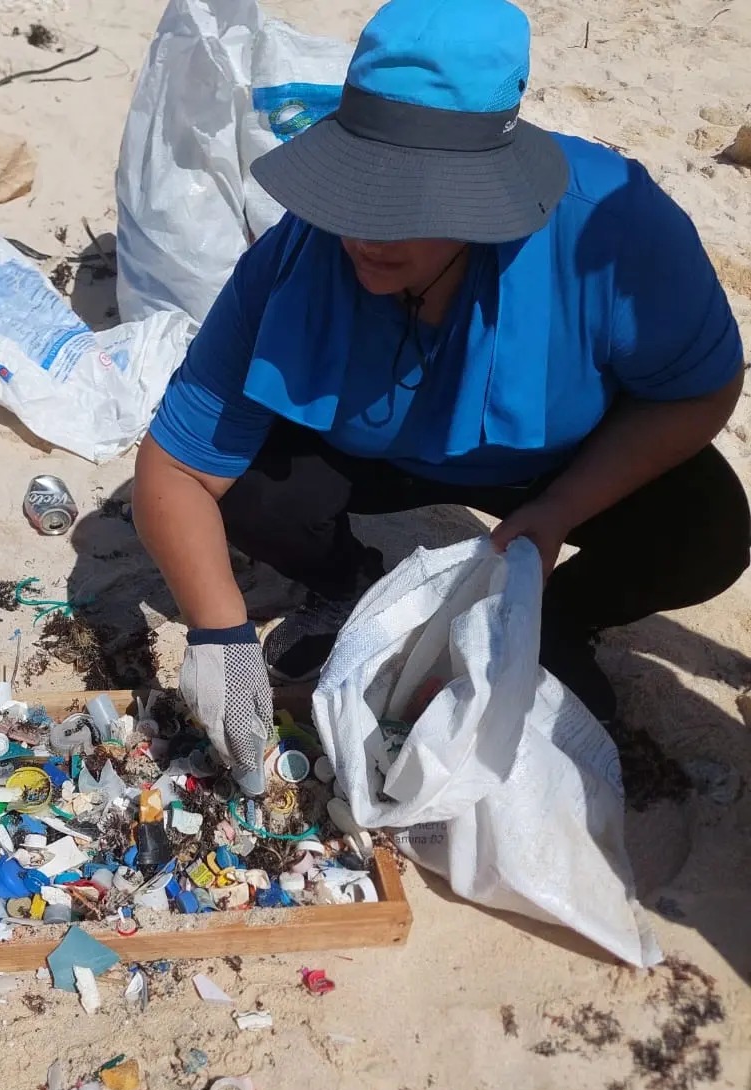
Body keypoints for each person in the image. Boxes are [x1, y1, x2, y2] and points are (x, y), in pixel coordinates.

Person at [134, 0, 748, 786]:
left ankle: (558, 624)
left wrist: (558, 514)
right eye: (353, 193)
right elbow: (175, 466)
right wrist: (219, 634)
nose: (365, 234)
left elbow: (700, 392)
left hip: (560, 462)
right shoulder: (296, 257)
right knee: (246, 488)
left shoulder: (615, 233)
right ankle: (343, 584)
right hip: (367, 455)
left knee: (708, 530)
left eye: (405, 206)